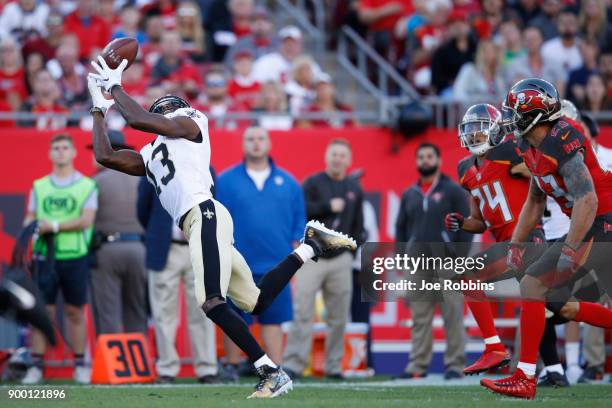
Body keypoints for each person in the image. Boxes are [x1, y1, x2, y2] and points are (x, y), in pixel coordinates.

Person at [86, 55, 356, 398]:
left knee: (211, 302)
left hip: (204, 215)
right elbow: (105, 156)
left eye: (171, 107)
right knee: (255, 302)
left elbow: (138, 119)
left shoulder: (192, 121)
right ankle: (311, 246)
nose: (168, 110)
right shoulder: (152, 152)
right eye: (163, 107)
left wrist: (114, 87)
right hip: (201, 222)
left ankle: (270, 371)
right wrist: (98, 109)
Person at [481, 78, 612, 399]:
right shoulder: (530, 145)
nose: (508, 116)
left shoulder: (560, 138)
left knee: (533, 286)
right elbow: (535, 200)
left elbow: (588, 199)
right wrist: (515, 244)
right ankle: (527, 376)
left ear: (535, 113)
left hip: (602, 219)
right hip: (591, 221)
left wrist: (570, 249)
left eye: (514, 110)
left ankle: (525, 377)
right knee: (558, 304)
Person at [446, 103, 534, 376]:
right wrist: (462, 222)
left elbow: (547, 177)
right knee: (564, 308)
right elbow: (479, 222)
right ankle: (503, 353)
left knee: (466, 274)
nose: (474, 136)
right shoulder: (465, 169)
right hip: (506, 244)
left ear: (496, 131)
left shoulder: (510, 152)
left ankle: (494, 348)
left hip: (527, 240)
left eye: (480, 130)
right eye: (470, 131)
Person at [216, 127, 305, 377]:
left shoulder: (289, 182)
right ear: (244, 144)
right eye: (250, 139)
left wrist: (295, 250)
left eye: (260, 139)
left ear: (269, 144)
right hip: (236, 261)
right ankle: (232, 367)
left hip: (276, 264)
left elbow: (299, 221)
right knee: (233, 317)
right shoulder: (225, 180)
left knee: (273, 319)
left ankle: (274, 369)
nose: (255, 143)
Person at [283, 138, 364, 380]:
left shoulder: (354, 188)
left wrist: (351, 251)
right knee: (303, 311)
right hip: (312, 256)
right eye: (334, 154)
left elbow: (358, 225)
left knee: (339, 316)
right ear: (327, 157)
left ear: (348, 161)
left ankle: (333, 366)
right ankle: (294, 364)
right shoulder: (312, 182)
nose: (337, 158)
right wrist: (328, 205)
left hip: (340, 259)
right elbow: (302, 210)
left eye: (342, 155)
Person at [21, 134, 98, 385]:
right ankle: (37, 366)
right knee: (43, 313)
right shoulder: (39, 185)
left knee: (75, 312)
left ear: (74, 152)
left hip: (75, 256)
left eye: (65, 148)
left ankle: (79, 364)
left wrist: (52, 225)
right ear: (50, 154)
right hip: (45, 258)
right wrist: (32, 228)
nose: (61, 152)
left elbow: (86, 220)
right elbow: (29, 218)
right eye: (56, 148)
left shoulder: (87, 185)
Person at [137, 167, 220, 384]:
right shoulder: (153, 165)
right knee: (164, 312)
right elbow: (142, 209)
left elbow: (214, 205)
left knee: (204, 308)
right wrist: (158, 235)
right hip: (166, 249)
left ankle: (207, 368)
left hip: (198, 247)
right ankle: (167, 368)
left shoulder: (203, 165)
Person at [395, 142, 470, 380]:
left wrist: (459, 257)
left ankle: (455, 365)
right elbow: (400, 229)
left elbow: (466, 226)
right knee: (419, 318)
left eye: (429, 156)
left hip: (447, 263)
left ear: (438, 160)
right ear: (417, 162)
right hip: (417, 265)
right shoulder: (409, 193)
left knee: (453, 316)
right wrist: (401, 259)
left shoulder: (453, 191)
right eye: (421, 157)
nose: (425, 160)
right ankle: (417, 365)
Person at [90, 130, 147, 336]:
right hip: (139, 249)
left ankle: (112, 365)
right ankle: (138, 363)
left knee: (108, 313)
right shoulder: (142, 180)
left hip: (107, 250)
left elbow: (88, 220)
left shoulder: (96, 182)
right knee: (137, 310)